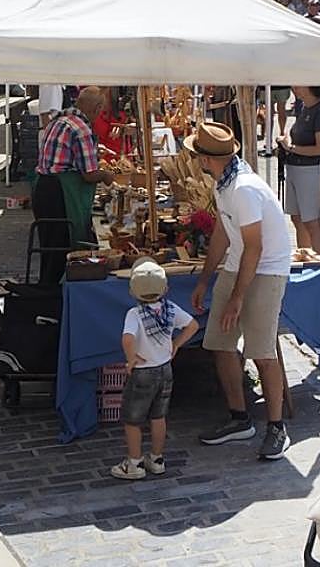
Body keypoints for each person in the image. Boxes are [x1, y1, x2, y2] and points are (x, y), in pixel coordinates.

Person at [188, 122, 293, 459]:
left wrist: (237, 297)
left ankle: (276, 427)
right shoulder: (225, 183)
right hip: (240, 264)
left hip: (266, 268)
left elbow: (255, 248)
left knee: (262, 351)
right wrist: (205, 279)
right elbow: (222, 232)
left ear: (205, 159)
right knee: (219, 342)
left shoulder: (242, 189)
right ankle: (239, 417)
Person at [111, 258, 200, 480]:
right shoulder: (171, 309)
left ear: (132, 292)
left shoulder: (134, 314)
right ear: (166, 289)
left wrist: (131, 359)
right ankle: (157, 458)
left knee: (133, 420)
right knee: (158, 417)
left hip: (142, 372)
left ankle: (134, 463)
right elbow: (192, 325)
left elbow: (128, 339)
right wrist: (176, 344)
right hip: (164, 369)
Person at [33, 87, 114, 288]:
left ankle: (47, 294)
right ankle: (56, 299)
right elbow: (89, 174)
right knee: (63, 250)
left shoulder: (59, 120)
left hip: (43, 188)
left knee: (50, 250)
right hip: (60, 195)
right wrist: (105, 175)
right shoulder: (82, 129)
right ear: (96, 108)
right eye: (101, 111)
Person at [279, 86, 320, 254]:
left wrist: (291, 147)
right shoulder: (303, 107)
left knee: (311, 221)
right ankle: (305, 256)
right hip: (295, 168)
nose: (295, 86)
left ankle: (318, 262)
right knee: (297, 218)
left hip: (310, 170)